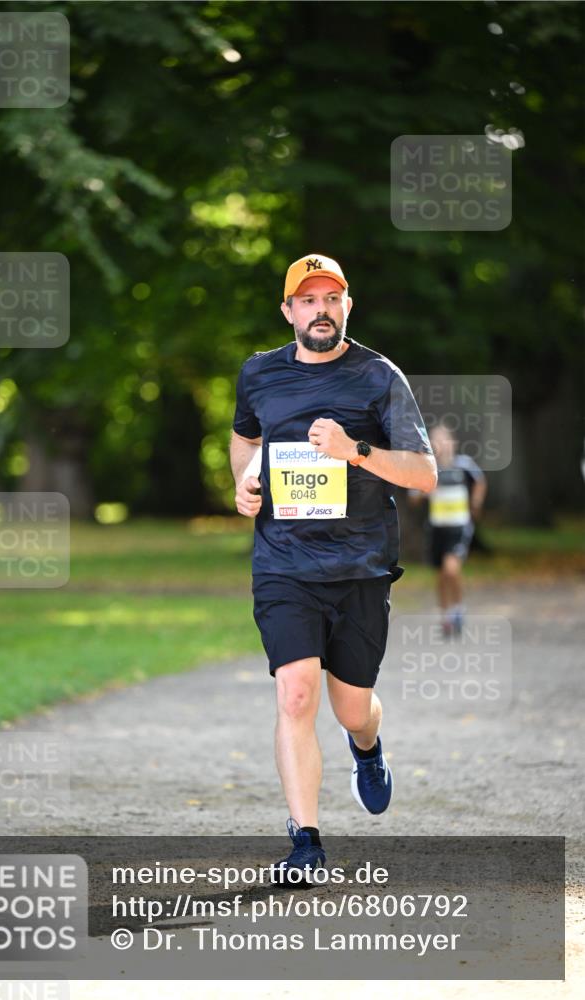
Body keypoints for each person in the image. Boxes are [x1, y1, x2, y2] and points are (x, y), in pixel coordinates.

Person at [229, 253, 437, 882]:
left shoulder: (378, 376)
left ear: (348, 306)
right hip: (284, 564)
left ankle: (367, 747)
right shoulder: (260, 374)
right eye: (308, 299)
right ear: (288, 310)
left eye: (332, 298)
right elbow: (246, 438)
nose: (321, 310)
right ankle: (305, 842)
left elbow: (424, 474)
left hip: (360, 567)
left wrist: (355, 451)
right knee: (295, 692)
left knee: (352, 709)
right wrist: (242, 477)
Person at [408, 423, 487, 637]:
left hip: (459, 526)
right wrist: (427, 491)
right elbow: (413, 497)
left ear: (453, 442)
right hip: (436, 528)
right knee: (441, 575)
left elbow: (480, 481)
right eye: (435, 439)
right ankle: (446, 616)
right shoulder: (429, 468)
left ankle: (458, 608)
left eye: (443, 438)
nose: (439, 443)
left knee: (451, 569)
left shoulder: (463, 465)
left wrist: (476, 504)